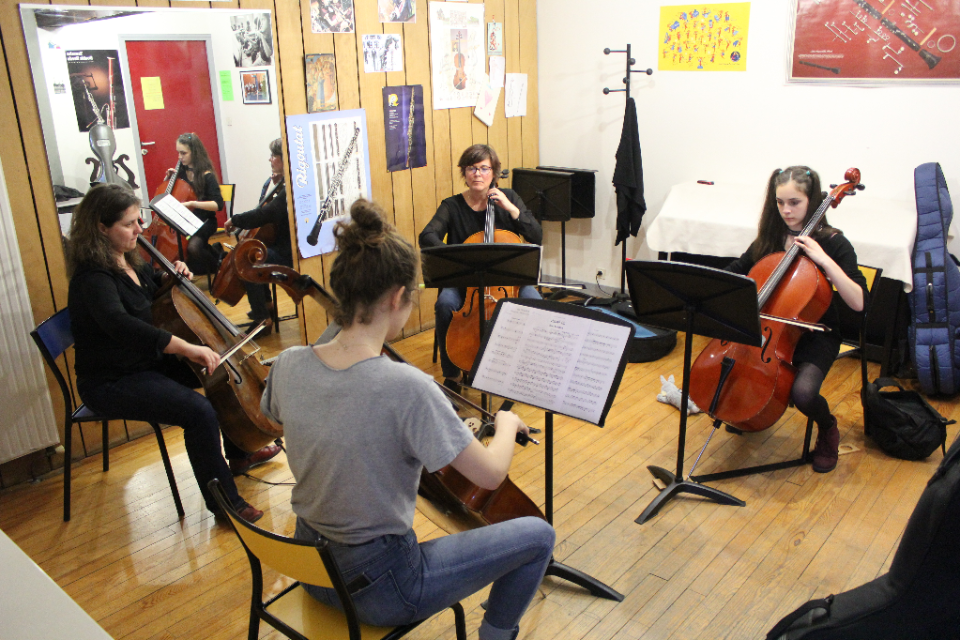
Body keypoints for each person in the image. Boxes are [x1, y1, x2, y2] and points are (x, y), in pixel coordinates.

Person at [262, 199, 554, 640]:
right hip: (382, 588)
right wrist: (508, 426)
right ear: (398, 296)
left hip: (313, 569)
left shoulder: (287, 363)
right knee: (537, 536)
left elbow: (292, 416)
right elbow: (490, 475)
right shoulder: (408, 387)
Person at [66, 183, 281, 523]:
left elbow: (149, 293)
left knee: (219, 373)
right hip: (112, 379)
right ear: (101, 228)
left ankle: (239, 454)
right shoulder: (92, 279)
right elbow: (122, 325)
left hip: (146, 363)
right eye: (130, 224)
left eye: (139, 220)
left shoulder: (127, 260)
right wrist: (186, 347)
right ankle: (226, 506)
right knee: (197, 411)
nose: (140, 229)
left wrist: (172, 271)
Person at [725, 166, 868, 473]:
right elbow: (738, 270)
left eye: (795, 203)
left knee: (803, 394)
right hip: (770, 330)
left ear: (812, 201)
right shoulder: (770, 238)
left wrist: (823, 260)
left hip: (817, 334)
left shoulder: (833, 242)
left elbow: (858, 301)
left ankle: (828, 428)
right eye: (780, 203)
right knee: (742, 367)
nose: (786, 211)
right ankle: (746, 410)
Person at [419, 144, 543, 390]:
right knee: (445, 304)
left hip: (508, 281)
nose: (477, 174)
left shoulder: (509, 198)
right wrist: (456, 255)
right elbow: (427, 235)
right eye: (471, 168)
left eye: (484, 168)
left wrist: (510, 208)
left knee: (535, 302)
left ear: (493, 173)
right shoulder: (452, 206)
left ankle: (523, 368)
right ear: (464, 173)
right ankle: (452, 373)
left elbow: (536, 235)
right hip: (466, 282)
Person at [223, 138, 291, 324]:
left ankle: (262, 319)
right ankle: (267, 307)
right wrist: (274, 186)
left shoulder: (291, 188)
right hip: (281, 244)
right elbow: (265, 207)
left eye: (273, 156)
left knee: (248, 258)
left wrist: (236, 220)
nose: (270, 160)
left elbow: (265, 213)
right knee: (257, 254)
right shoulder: (284, 183)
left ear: (285, 159)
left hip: (290, 251)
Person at [163, 132, 224, 276]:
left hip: (205, 221)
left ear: (194, 153)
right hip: (186, 220)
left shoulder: (206, 175)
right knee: (178, 246)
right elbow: (170, 196)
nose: (179, 157)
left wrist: (193, 203)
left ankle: (220, 269)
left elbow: (218, 204)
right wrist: (168, 180)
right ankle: (211, 254)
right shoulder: (181, 172)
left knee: (193, 247)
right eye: (178, 153)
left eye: (183, 153)